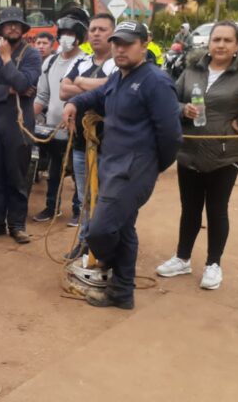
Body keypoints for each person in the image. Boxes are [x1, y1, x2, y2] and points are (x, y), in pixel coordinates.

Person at [155, 21, 238, 290]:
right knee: (190, 209)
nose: (220, 45)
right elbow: (171, 97)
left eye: (227, 41)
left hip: (225, 154)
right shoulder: (193, 70)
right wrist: (183, 109)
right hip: (189, 150)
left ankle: (213, 264)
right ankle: (182, 258)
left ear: (237, 46)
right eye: (216, 39)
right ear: (209, 42)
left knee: (217, 210)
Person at [61, 21, 183, 309]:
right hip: (112, 165)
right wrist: (75, 103)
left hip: (134, 170)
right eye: (117, 43)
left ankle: (108, 268)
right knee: (124, 229)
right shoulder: (119, 77)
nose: (119, 48)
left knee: (100, 230)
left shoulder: (155, 81)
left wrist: (153, 166)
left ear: (145, 44)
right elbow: (98, 96)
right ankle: (121, 293)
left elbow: (171, 136)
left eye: (127, 43)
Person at [0, 6, 42, 244]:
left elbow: (25, 80)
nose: (13, 27)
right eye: (8, 24)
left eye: (17, 24)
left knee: (17, 175)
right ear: (1, 29)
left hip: (19, 125)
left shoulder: (32, 55)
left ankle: (17, 224)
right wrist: (10, 90)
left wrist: (6, 60)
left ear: (23, 29)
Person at [58, 12, 117, 259]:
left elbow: (113, 89)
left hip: (111, 145)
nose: (95, 34)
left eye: (102, 29)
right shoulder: (81, 61)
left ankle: (105, 247)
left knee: (107, 199)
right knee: (84, 198)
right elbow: (62, 90)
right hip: (82, 143)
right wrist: (95, 84)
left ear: (113, 34)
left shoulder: (118, 62)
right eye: (92, 29)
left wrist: (80, 83)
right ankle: (85, 242)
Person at [31, 11, 88, 225]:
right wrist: (28, 119)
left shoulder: (85, 62)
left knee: (77, 171)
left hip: (77, 128)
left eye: (70, 33)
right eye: (63, 32)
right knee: (54, 170)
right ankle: (51, 206)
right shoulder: (50, 62)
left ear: (79, 36)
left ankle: (78, 209)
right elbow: (42, 95)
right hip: (53, 128)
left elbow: (88, 94)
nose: (66, 37)